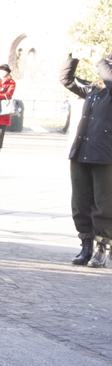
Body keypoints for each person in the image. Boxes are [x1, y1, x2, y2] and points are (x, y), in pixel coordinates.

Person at [60, 49, 112, 268]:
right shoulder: (93, 88)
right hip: (81, 153)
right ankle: (86, 246)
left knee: (104, 205)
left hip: (105, 155)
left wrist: (99, 59)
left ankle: (102, 248)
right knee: (80, 203)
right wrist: (73, 56)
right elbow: (66, 79)